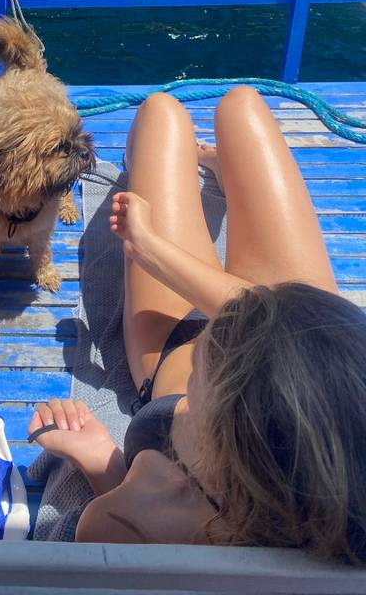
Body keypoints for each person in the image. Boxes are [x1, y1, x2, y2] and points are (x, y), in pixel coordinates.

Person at [28, 87, 366, 562]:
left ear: (216, 442)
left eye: (202, 372)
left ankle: (208, 177)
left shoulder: (132, 526)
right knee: (241, 105)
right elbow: (252, 314)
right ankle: (227, 182)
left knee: (161, 113)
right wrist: (154, 250)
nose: (215, 328)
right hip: (310, 332)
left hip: (186, 337)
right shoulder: (331, 450)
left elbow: (246, 315)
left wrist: (103, 461)